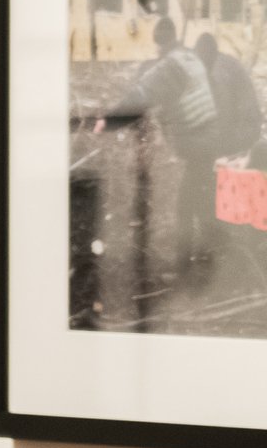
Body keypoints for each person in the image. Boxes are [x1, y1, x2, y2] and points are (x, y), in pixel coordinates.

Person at [98, 16, 221, 266]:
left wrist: (108, 122)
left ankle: (187, 265)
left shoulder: (170, 67)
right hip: (210, 135)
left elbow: (142, 95)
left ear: (159, 43)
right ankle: (206, 258)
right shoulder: (189, 57)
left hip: (195, 140)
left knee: (186, 204)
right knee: (200, 197)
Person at [195, 32, 264, 161]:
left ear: (213, 56)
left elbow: (226, 118)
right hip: (229, 133)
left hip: (242, 134)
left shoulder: (224, 74)